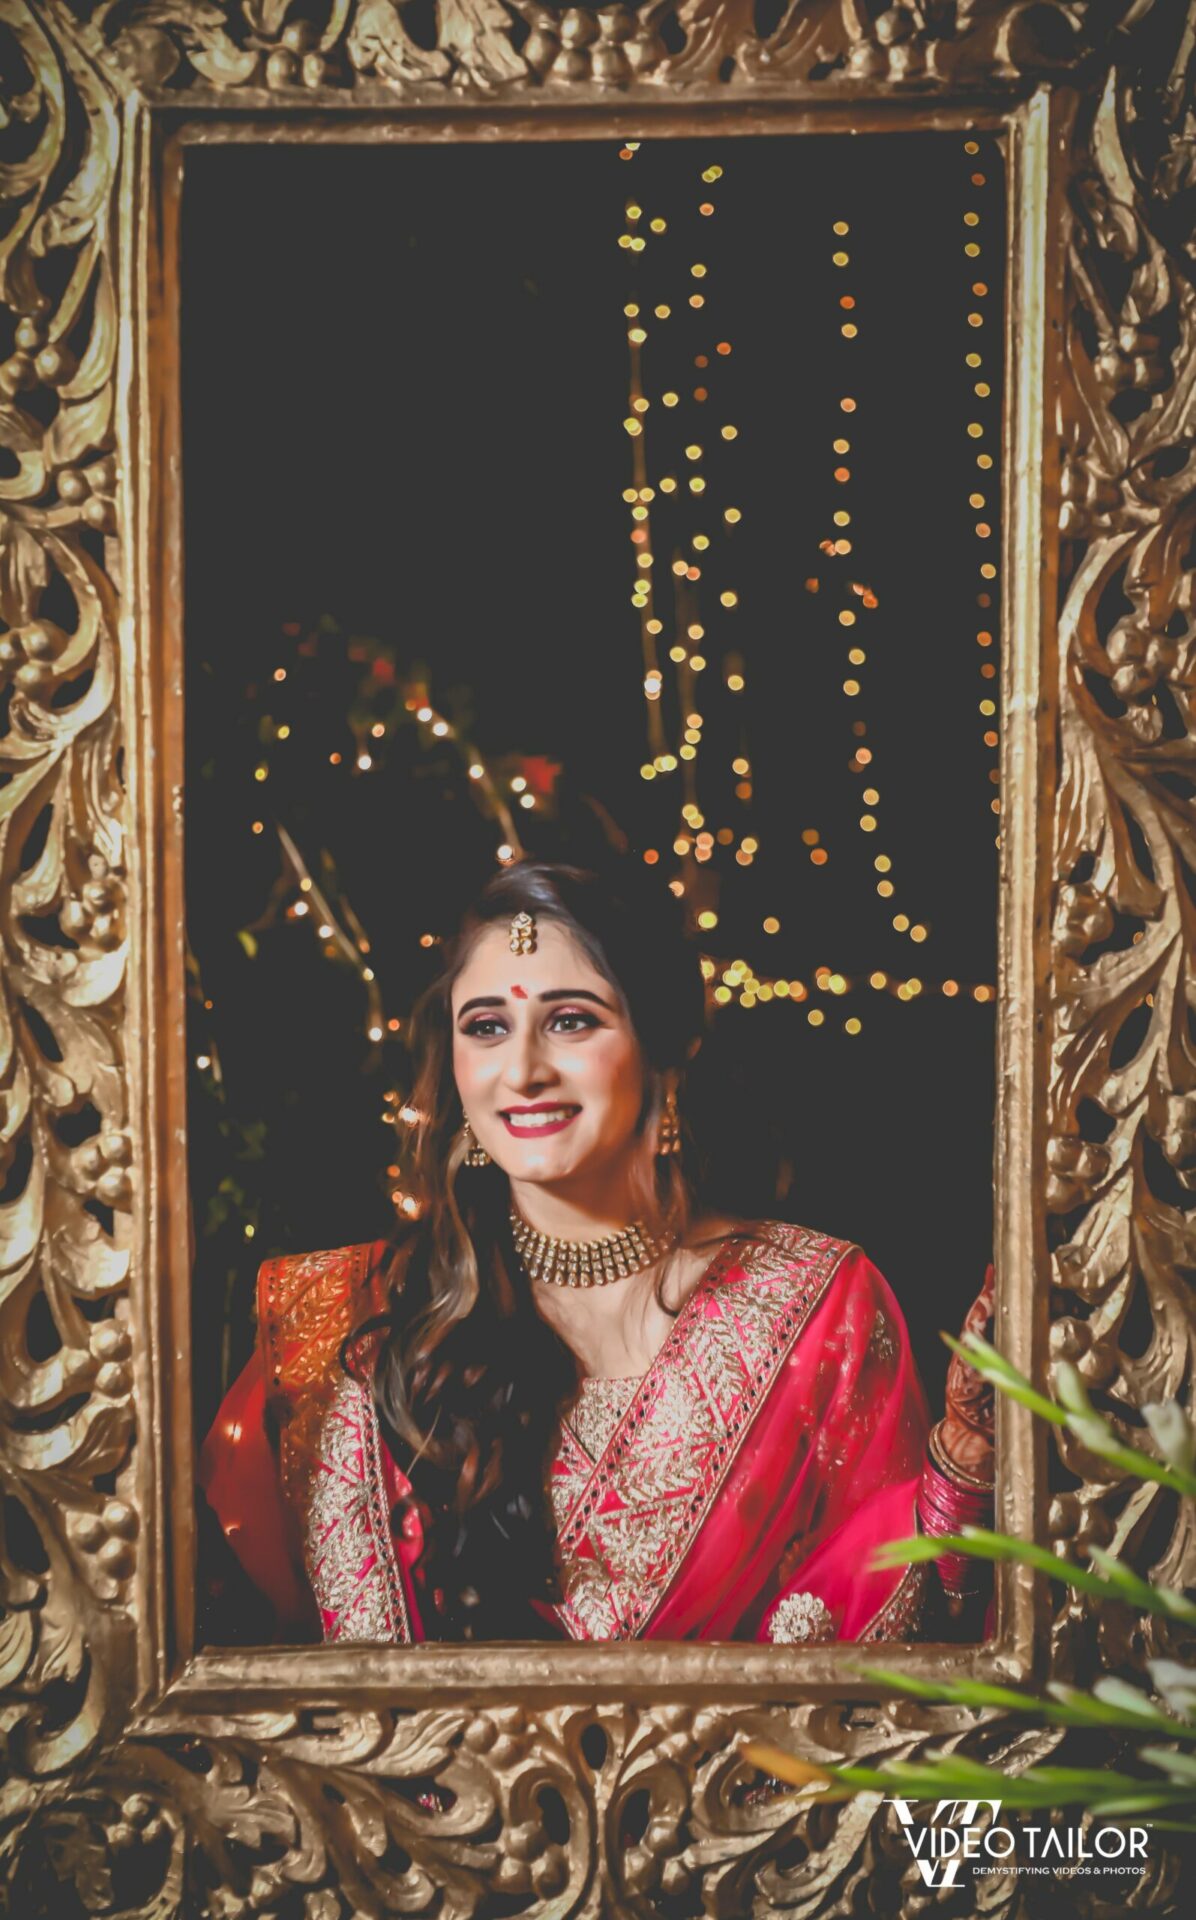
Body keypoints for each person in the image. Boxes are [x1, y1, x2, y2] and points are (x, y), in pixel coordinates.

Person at [200, 860, 994, 1644]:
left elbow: (890, 1639)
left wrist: (966, 1471)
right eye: (485, 1027)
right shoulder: (342, 1318)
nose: (523, 1070)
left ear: (663, 1052)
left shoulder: (813, 1304)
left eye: (571, 1020)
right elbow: (236, 1656)